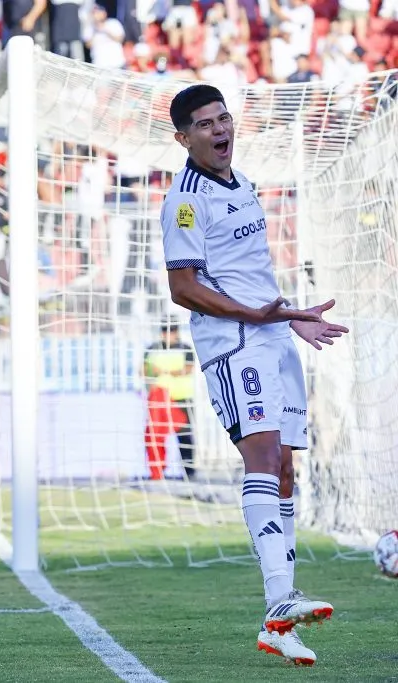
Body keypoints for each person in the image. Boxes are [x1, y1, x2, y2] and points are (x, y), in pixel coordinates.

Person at [160, 84, 348, 666]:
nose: (220, 131)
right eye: (206, 124)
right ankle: (280, 596)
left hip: (269, 336)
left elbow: (252, 277)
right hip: (232, 343)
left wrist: (289, 318)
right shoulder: (185, 201)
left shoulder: (242, 184)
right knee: (263, 459)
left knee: (286, 468)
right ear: (184, 138)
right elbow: (183, 288)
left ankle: (278, 627)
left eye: (224, 119)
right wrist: (256, 317)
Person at [143, 322, 196, 480]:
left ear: (176, 332)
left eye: (171, 331)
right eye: (165, 331)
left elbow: (188, 369)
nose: (168, 334)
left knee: (184, 436)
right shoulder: (152, 348)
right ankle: (158, 471)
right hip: (159, 400)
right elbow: (144, 370)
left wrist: (165, 371)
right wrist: (154, 372)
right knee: (156, 435)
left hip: (181, 398)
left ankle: (189, 472)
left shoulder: (184, 348)